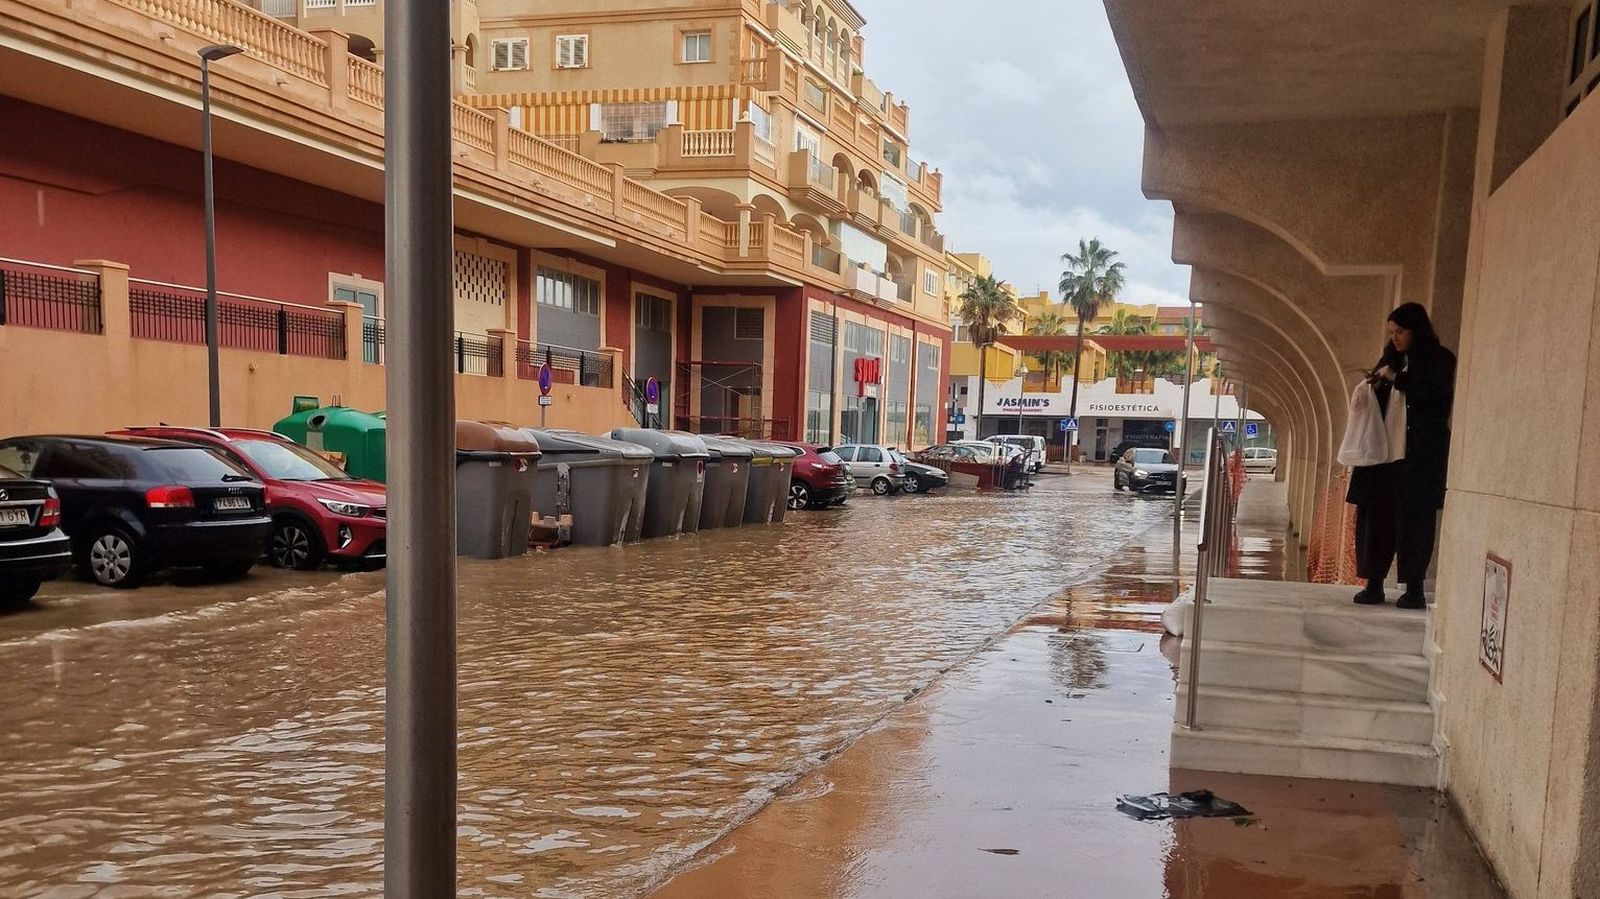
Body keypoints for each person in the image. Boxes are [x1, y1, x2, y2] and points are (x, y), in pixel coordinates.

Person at [1347, 302, 1456, 609]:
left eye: (1400, 332)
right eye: (1392, 332)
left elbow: (1433, 397)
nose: (1395, 338)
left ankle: (1414, 588)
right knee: (1376, 519)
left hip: (1418, 457)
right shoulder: (1389, 361)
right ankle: (1374, 583)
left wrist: (1396, 378)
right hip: (1382, 458)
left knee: (1415, 522)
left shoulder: (1439, 360)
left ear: (1416, 330)